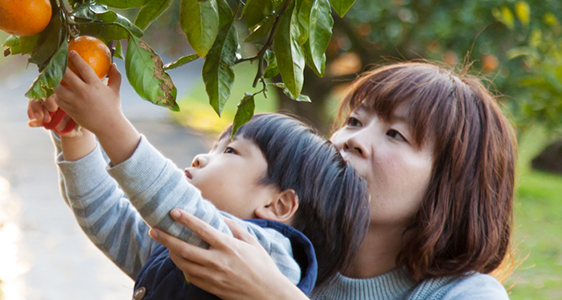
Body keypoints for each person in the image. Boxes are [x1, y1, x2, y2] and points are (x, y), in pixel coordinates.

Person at [148, 62, 517, 299]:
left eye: (395, 135)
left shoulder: (467, 295)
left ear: (451, 185)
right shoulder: (279, 253)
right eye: (355, 121)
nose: (351, 140)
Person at [26, 51, 370, 299]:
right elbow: (107, 216)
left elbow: (173, 203)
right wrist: (77, 136)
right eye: (216, 146)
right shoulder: (182, 251)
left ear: (278, 205)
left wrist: (110, 125)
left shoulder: (273, 258)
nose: (202, 157)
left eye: (230, 151)